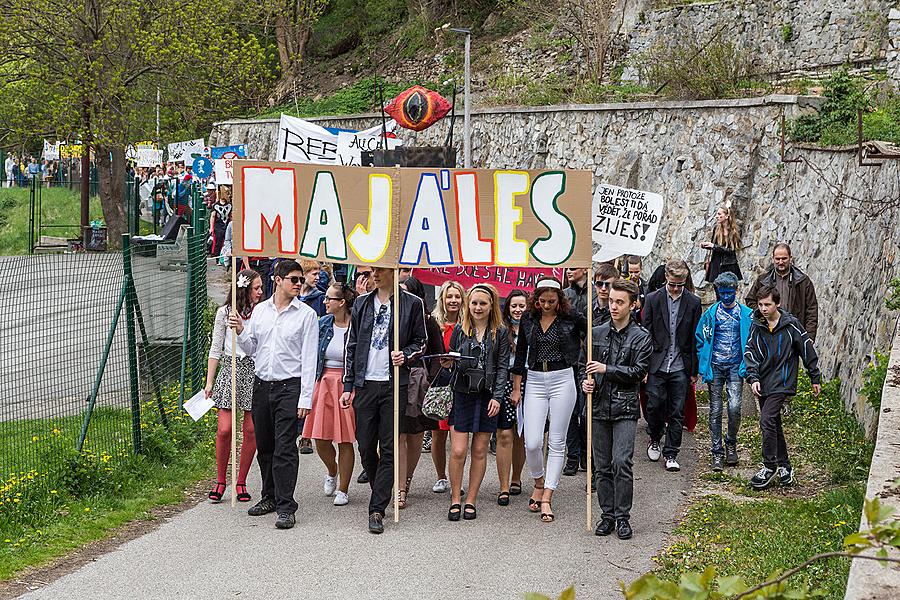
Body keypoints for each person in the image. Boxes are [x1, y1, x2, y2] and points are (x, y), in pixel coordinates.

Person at [229, 259, 320, 530]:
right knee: (265, 445)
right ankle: (268, 495)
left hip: (289, 386)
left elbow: (309, 359)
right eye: (293, 279)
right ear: (277, 280)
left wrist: (306, 397)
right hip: (262, 384)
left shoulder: (306, 315)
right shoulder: (261, 311)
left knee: (284, 447)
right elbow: (251, 347)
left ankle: (285, 505)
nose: (298, 284)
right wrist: (241, 331)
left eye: (300, 280)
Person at [340, 267, 426, 534]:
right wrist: (348, 384)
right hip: (366, 384)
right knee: (365, 445)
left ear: (393, 271)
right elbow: (352, 344)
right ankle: (383, 485)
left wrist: (407, 355)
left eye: (380, 270)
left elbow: (421, 341)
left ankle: (377, 508)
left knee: (388, 447)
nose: (374, 275)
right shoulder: (363, 303)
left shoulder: (412, 304)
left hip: (393, 385)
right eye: (372, 271)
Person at [511, 277, 586, 523]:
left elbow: (594, 332)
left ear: (559, 300)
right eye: (542, 301)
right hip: (534, 377)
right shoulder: (528, 319)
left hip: (562, 377)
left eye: (551, 301)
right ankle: (538, 480)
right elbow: (521, 352)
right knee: (531, 441)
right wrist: (517, 387)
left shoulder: (572, 318)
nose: (546, 305)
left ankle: (547, 496)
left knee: (557, 439)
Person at [581, 279, 651, 540]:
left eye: (620, 302)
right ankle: (606, 515)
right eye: (611, 301)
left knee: (621, 461)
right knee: (601, 465)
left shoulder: (641, 337)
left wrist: (606, 369)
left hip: (625, 407)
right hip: (598, 405)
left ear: (633, 305)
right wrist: (585, 382)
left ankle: (623, 517)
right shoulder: (595, 333)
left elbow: (638, 372)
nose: (613, 306)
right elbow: (583, 365)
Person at [744, 286, 821, 489]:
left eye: (767, 304)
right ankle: (785, 466)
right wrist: (753, 378)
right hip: (763, 380)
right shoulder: (757, 325)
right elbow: (750, 352)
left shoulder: (791, 325)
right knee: (774, 423)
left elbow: (806, 348)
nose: (763, 309)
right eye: (760, 305)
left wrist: (815, 377)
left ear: (777, 303)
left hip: (783, 382)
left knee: (767, 419)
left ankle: (769, 466)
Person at [444, 284, 509, 520]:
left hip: (487, 394)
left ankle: (471, 499)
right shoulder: (461, 329)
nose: (478, 308)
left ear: (491, 305)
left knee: (480, 449)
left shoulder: (500, 331)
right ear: (467, 304)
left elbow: (503, 367)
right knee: (459, 450)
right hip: (463, 392)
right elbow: (453, 359)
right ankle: (455, 498)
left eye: (482, 303)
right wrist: (449, 362)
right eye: (474, 303)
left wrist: (498, 397)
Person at [204, 269, 262, 504]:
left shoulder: (262, 313)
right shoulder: (224, 313)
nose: (260, 292)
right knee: (225, 429)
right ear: (244, 290)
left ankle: (241, 481)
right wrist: (209, 381)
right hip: (230, 369)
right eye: (256, 288)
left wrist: (243, 329)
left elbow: (260, 346)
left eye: (260, 288)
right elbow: (216, 348)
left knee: (250, 430)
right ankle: (220, 480)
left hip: (253, 369)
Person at [642, 259, 701, 472]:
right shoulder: (653, 299)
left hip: (680, 365)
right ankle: (655, 437)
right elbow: (645, 334)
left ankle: (671, 453)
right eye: (673, 284)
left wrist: (694, 370)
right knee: (654, 404)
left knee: (677, 411)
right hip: (657, 363)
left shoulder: (693, 303)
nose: (676, 288)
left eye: (680, 284)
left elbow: (695, 338)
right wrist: (645, 367)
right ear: (666, 277)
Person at [302, 282, 358, 507]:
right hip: (323, 381)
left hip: (347, 384)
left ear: (342, 302)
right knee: (320, 438)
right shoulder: (322, 323)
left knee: (345, 439)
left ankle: (343, 489)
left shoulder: (357, 325)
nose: (324, 302)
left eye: (329, 299)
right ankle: (332, 470)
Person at [695, 272, 753, 472]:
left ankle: (731, 441)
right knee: (716, 409)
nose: (726, 297)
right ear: (717, 292)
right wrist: (703, 360)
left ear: (736, 291)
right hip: (716, 367)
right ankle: (716, 450)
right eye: (722, 293)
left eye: (730, 292)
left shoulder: (746, 315)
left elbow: (752, 339)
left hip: (736, 366)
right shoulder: (710, 315)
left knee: (735, 407)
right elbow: (700, 338)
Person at [396, 275, 442, 509]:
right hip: (392, 379)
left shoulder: (427, 320)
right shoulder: (392, 317)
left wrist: (430, 380)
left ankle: (405, 482)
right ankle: (397, 482)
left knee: (412, 434)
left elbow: (437, 352)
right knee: (397, 435)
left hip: (417, 381)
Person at [427, 280, 466, 493]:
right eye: (449, 296)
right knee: (438, 433)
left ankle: (455, 480)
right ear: (442, 299)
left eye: (457, 296)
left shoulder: (469, 323)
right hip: (440, 382)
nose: (453, 301)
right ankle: (441, 476)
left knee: (457, 435)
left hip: (461, 382)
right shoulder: (433, 323)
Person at [745, 243, 818, 341]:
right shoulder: (762, 280)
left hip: (794, 332)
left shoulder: (803, 281)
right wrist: (763, 315)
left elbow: (812, 309)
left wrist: (809, 335)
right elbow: (750, 300)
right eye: (777, 259)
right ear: (773, 259)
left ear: (790, 258)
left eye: (784, 258)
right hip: (768, 332)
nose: (780, 262)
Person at [496, 289, 527, 505]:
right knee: (504, 434)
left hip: (529, 384)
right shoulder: (500, 330)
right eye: (514, 306)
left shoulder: (533, 328)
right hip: (504, 383)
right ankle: (504, 485)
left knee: (522, 435)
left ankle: (517, 478)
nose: (518, 310)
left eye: (522, 306)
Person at [701, 205, 743, 293]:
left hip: (729, 265)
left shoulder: (735, 231)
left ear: (727, 216)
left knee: (729, 291)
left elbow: (731, 250)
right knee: (718, 292)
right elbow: (714, 246)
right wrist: (707, 245)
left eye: (719, 214)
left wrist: (713, 246)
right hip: (716, 264)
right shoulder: (716, 229)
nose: (717, 216)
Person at [209, 188, 232, 257]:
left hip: (227, 226)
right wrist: (211, 227)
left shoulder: (230, 205)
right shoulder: (216, 205)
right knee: (218, 242)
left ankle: (224, 258)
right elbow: (212, 216)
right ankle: (217, 257)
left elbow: (231, 216)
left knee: (227, 241)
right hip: (218, 226)